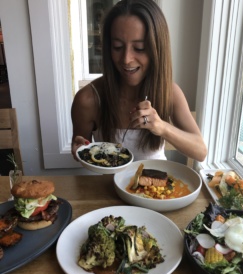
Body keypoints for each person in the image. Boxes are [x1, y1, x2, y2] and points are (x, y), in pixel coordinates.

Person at [71, 0, 207, 162]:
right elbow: (82, 151)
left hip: (159, 183)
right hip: (107, 186)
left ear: (157, 49)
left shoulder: (169, 92)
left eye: (140, 48)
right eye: (117, 47)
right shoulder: (87, 100)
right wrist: (79, 151)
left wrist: (162, 127)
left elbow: (200, 152)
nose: (126, 59)